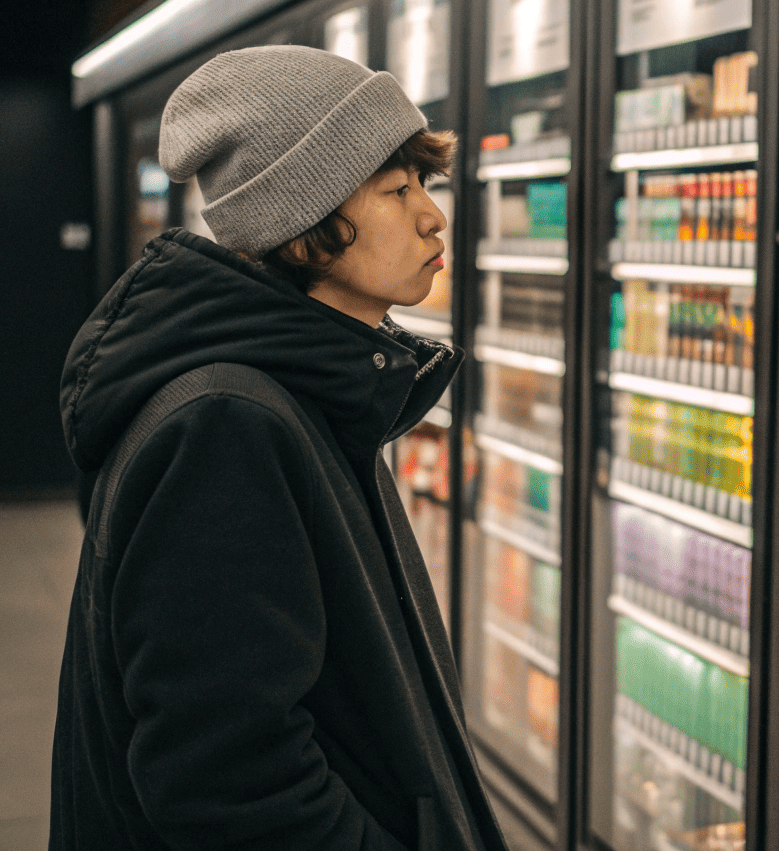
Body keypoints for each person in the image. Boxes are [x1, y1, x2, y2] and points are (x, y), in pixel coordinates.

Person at [51, 46, 506, 851]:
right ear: (304, 224)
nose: (432, 216)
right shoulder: (226, 426)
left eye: (423, 186)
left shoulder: (302, 388)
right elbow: (230, 781)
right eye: (396, 190)